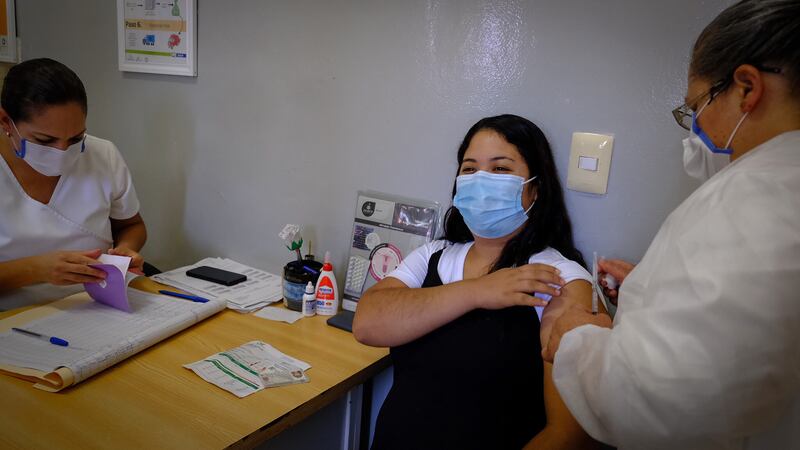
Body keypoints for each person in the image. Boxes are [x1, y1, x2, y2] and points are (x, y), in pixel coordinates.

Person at [540, 1, 800, 449]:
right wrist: (652, 292)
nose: (696, 130)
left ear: (745, 88)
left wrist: (578, 336)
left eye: (696, 106)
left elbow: (661, 403)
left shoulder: (758, 195)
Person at [353, 114, 602, 449]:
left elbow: (568, 434)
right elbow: (367, 324)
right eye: (469, 169)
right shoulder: (435, 254)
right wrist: (477, 291)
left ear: (536, 190)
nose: (481, 180)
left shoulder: (558, 277)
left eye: (500, 169)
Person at [0, 58, 147, 310]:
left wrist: (125, 250)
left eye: (76, 138)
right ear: (5, 122)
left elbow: (132, 225)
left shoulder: (102, 155)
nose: (62, 151)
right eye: (45, 140)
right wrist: (37, 270)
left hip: (98, 306)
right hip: (14, 317)